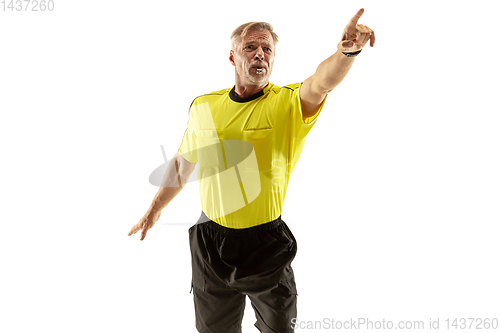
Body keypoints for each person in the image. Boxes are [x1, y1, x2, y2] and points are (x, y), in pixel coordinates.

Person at [129, 8, 375, 333]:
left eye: (267, 49)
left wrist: (347, 52)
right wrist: (154, 209)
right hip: (210, 242)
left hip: (266, 245)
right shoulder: (204, 106)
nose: (260, 54)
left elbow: (320, 83)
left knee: (280, 329)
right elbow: (184, 162)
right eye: (250, 47)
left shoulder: (286, 103)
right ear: (232, 57)